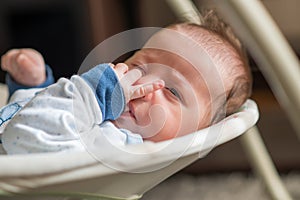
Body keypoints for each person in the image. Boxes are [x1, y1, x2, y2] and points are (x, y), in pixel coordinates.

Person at [0, 11, 252, 154]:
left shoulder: (117, 146)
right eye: (138, 66)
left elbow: (26, 139)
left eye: (173, 91)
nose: (143, 84)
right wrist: (32, 87)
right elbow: (33, 114)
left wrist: (91, 94)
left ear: (199, 134)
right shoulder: (101, 115)